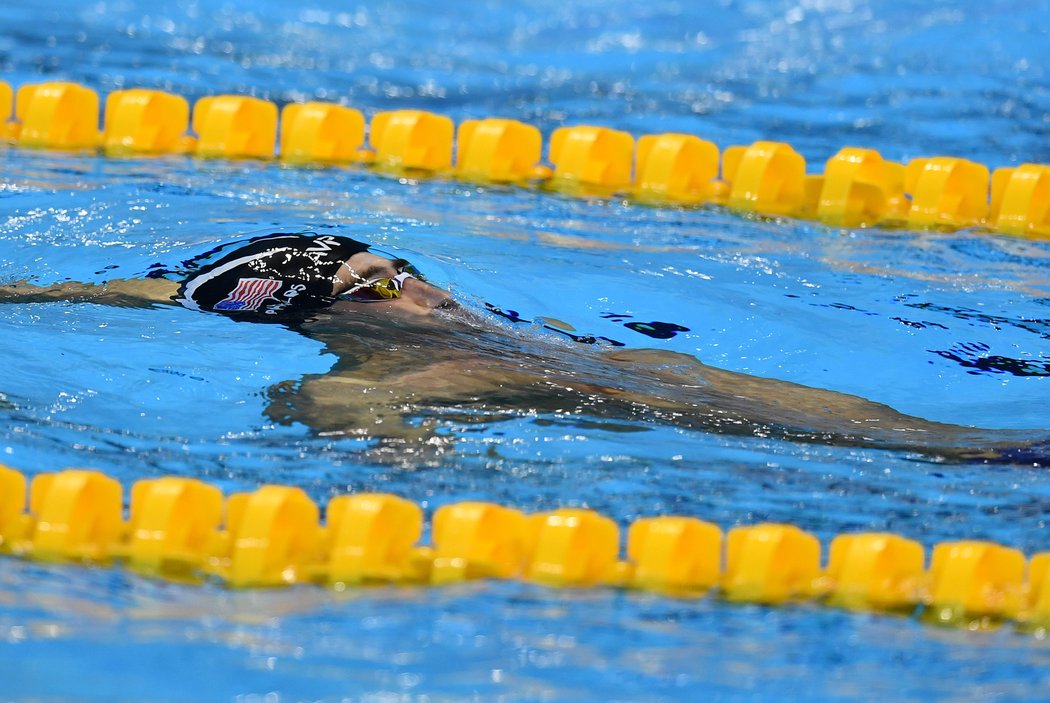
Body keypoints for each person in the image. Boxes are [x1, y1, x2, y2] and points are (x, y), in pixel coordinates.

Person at [1, 230, 1046, 464]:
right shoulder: (406, 366)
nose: (418, 285)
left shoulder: (456, 323)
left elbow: (140, 293)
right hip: (611, 401)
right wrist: (406, 449)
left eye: (401, 264)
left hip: (630, 373)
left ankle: (980, 446)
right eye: (378, 285)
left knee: (707, 382)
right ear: (333, 319)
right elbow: (323, 414)